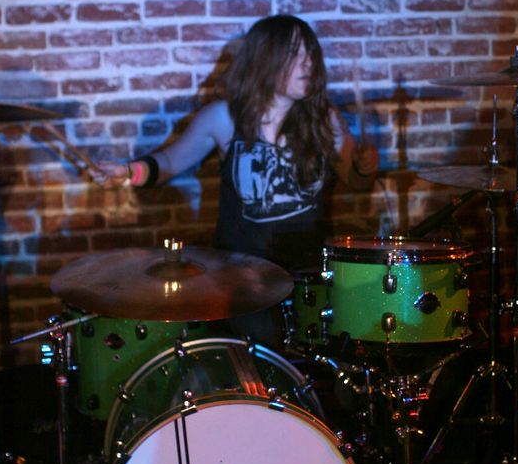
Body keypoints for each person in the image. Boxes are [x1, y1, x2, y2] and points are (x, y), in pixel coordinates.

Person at [97, 14, 378, 274]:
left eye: (310, 54)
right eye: (295, 53)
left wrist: (365, 169)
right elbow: (170, 162)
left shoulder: (324, 118)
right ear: (265, 59)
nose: (308, 63)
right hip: (240, 278)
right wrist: (128, 172)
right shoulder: (224, 118)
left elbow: (357, 183)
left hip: (308, 275)